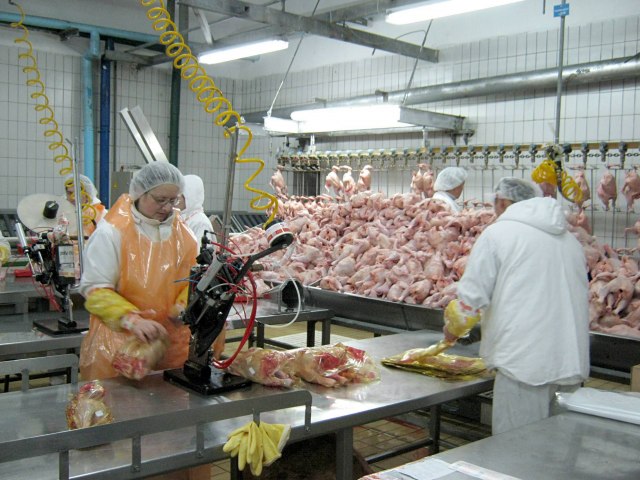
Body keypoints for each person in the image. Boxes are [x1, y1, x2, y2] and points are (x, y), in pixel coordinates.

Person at [439, 177, 589, 435]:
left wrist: (451, 332)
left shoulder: (498, 234)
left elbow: (471, 299)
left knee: (515, 446)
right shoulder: (570, 241)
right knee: (560, 448)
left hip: (523, 366)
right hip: (571, 362)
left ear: (504, 202)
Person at [177, 174, 217, 246]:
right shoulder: (181, 217)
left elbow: (199, 251)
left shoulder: (200, 223)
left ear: (190, 197)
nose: (176, 199)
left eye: (181, 195)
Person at [64, 174, 108, 238]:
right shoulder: (66, 211)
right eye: (69, 193)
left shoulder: (100, 213)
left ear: (87, 194)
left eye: (77, 193)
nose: (73, 197)